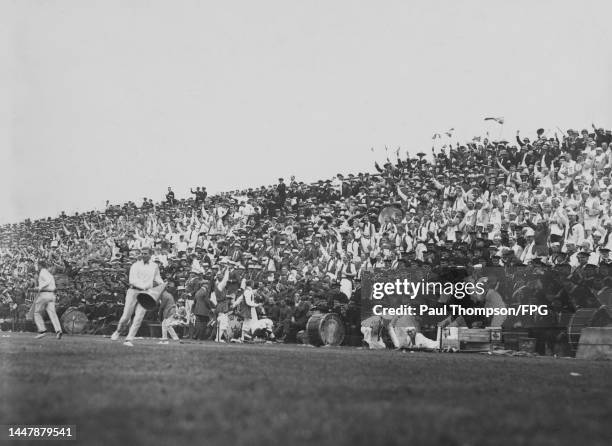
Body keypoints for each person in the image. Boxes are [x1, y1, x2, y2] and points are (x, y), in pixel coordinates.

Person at [111, 247, 163, 347]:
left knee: (139, 317)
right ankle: (118, 332)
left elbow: (157, 278)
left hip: (146, 294)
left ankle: (129, 339)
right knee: (126, 316)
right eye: (142, 253)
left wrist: (162, 284)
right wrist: (145, 286)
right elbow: (132, 280)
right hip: (133, 291)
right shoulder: (135, 265)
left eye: (146, 253)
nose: (144, 255)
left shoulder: (154, 266)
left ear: (151, 254)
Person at [32, 259, 63, 339]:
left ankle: (42, 331)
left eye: (38, 265)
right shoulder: (49, 273)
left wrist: (39, 287)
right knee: (52, 313)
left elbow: (47, 281)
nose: (37, 267)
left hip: (45, 294)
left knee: (37, 312)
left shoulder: (43, 272)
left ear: (40, 265)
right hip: (52, 295)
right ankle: (58, 330)